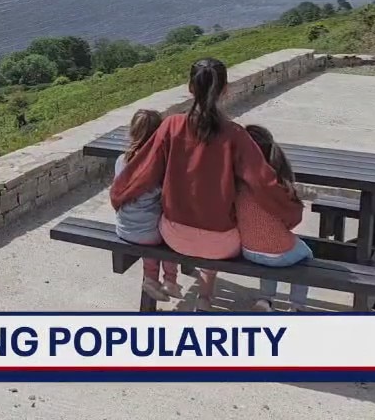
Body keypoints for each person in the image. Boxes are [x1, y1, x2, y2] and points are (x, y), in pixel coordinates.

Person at [110, 57, 301, 312]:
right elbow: (263, 182)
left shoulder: (171, 126)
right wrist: (292, 212)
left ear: (190, 88)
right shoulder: (236, 135)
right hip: (220, 245)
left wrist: (119, 196)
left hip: (175, 237)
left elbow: (143, 170)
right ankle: (207, 296)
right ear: (225, 90)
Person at [239, 124, 312, 312]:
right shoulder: (277, 186)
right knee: (305, 255)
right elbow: (293, 220)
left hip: (247, 249)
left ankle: (265, 299)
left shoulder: (239, 183)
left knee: (267, 251)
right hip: (278, 252)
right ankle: (297, 305)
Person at [113, 109, 181, 302]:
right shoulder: (160, 164)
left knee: (147, 225)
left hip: (124, 228)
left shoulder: (121, 160)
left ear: (132, 132)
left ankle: (151, 278)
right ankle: (170, 279)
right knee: (172, 231)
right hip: (149, 234)